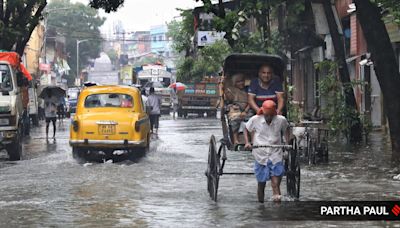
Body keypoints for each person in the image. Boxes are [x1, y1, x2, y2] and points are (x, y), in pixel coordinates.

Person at [244, 100, 290, 203]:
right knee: (261, 184)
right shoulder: (255, 120)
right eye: (266, 115)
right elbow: (246, 129)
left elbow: (287, 129)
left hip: (275, 153)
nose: (268, 117)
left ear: (274, 114)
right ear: (262, 112)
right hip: (260, 154)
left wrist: (287, 141)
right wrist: (247, 142)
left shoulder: (281, 120)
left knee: (275, 183)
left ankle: (278, 210)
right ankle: (261, 207)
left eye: (270, 115)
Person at [224, 73, 251, 146]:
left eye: (242, 81)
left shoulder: (248, 89)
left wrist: (245, 111)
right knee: (235, 117)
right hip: (236, 108)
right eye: (238, 82)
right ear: (234, 83)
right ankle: (235, 140)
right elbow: (229, 99)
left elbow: (251, 101)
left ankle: (251, 139)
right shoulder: (231, 90)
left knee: (252, 118)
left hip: (248, 108)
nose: (241, 83)